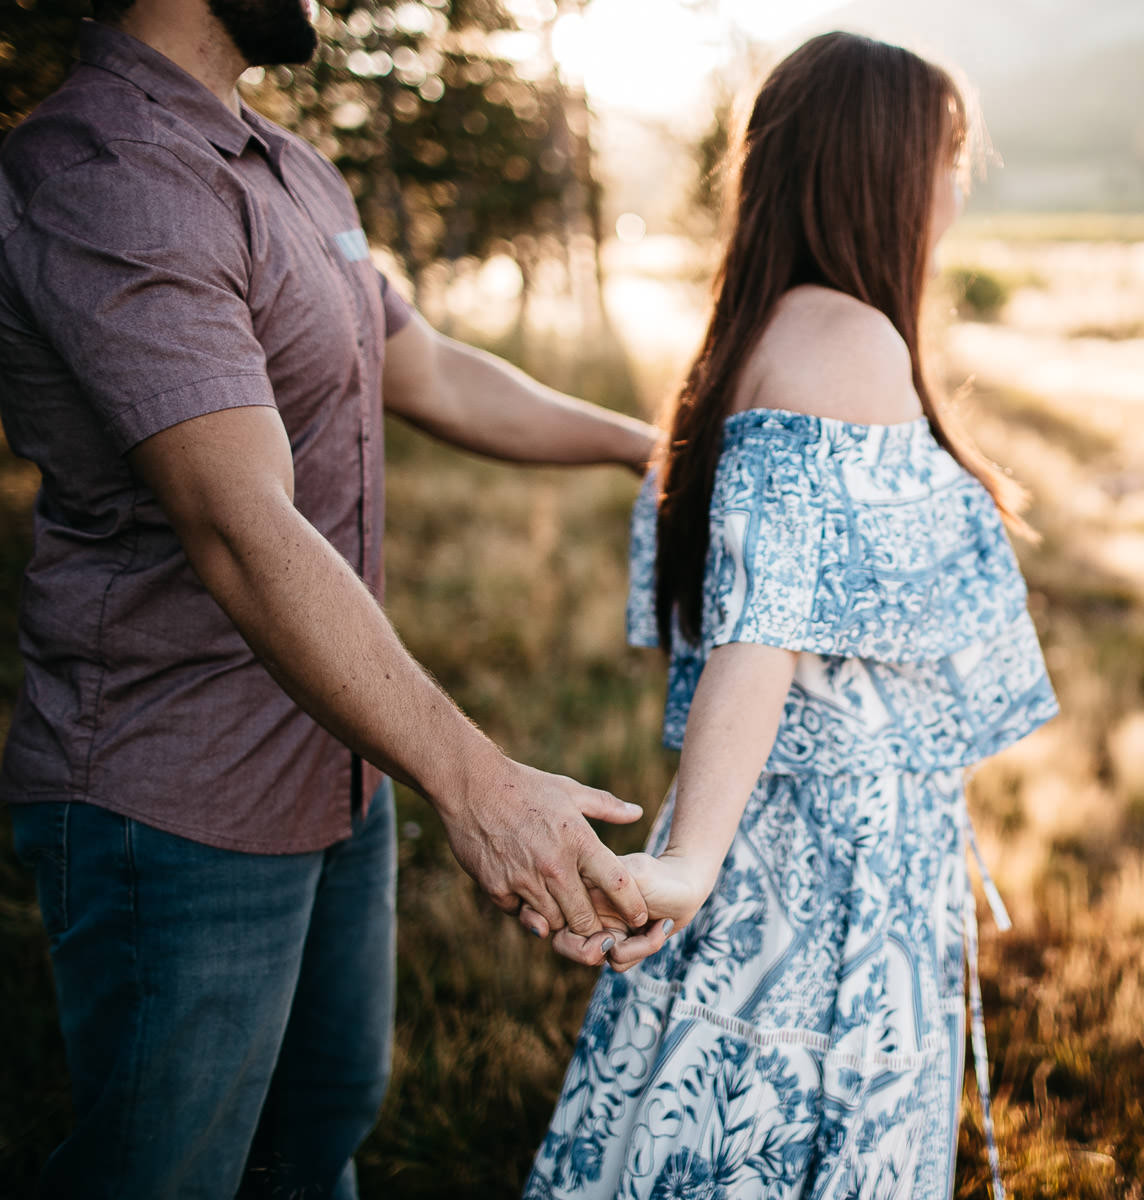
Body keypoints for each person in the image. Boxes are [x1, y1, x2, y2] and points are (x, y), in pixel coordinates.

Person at [0, 0, 671, 1195]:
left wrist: (645, 447)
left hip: (341, 758)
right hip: (178, 795)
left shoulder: (290, 165)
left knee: (320, 1135)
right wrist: (482, 787)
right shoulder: (106, 171)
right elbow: (241, 526)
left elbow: (436, 374)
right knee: (164, 1175)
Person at [523, 31, 1059, 1199]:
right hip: (832, 879)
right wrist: (693, 861)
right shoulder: (849, 345)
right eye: (949, 156)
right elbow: (760, 625)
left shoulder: (754, 339)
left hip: (797, 844)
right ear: (884, 168)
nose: (956, 190)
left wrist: (701, 852)